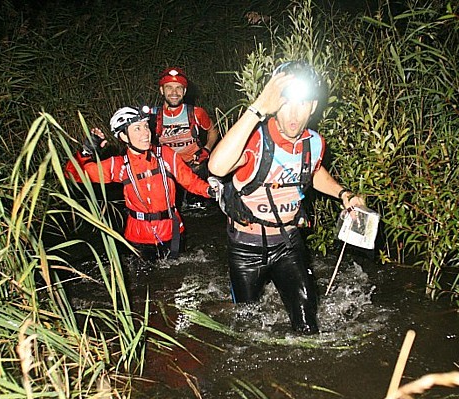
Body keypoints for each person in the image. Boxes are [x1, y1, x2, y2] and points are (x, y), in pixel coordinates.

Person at [207, 61, 366, 334]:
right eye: (286, 103)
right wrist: (257, 108)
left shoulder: (314, 142)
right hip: (246, 248)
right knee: (246, 329)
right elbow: (217, 167)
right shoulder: (253, 138)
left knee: (308, 326)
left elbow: (312, 171)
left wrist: (344, 193)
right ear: (275, 103)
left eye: (302, 104)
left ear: (313, 106)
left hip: (289, 244)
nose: (294, 114)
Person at [67, 105, 214, 261]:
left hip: (172, 231)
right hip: (138, 237)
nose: (145, 133)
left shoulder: (165, 155)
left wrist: (211, 191)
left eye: (145, 126)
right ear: (123, 137)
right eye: (137, 129)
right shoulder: (118, 166)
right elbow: (73, 174)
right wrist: (86, 152)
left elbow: (190, 181)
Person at [154, 66, 219, 208]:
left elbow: (213, 131)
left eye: (179, 88)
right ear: (161, 90)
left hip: (193, 166)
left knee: (200, 207)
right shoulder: (154, 116)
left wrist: (206, 150)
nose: (174, 93)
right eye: (169, 87)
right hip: (168, 169)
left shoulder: (196, 113)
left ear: (184, 91)